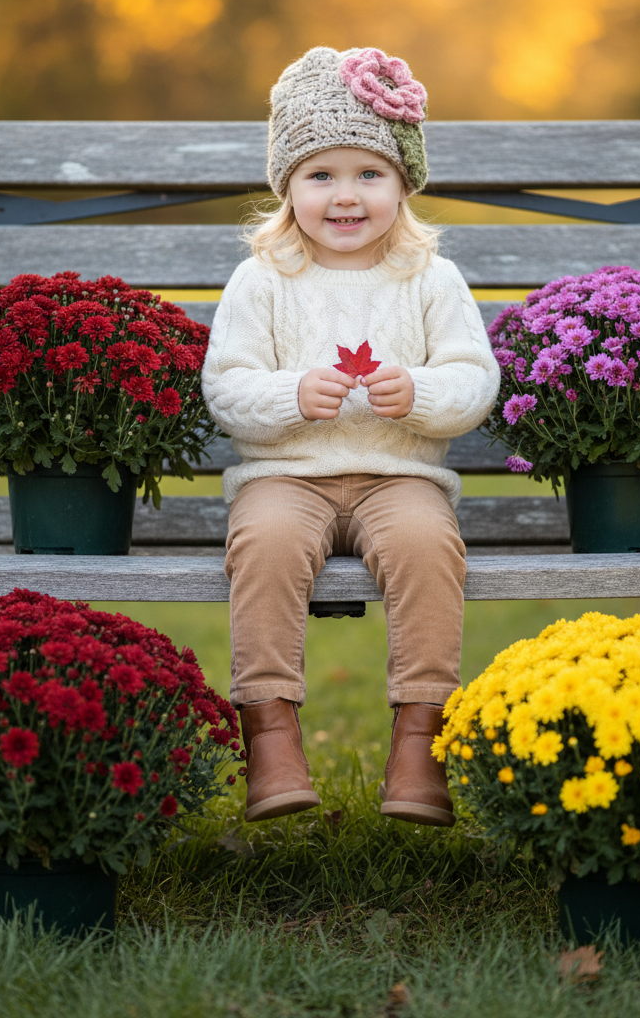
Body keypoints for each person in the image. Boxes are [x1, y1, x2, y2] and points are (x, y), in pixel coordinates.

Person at [202, 46, 499, 828]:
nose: (346, 196)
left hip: (397, 476)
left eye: (369, 174)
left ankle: (419, 741)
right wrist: (291, 394)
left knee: (428, 548)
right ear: (287, 187)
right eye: (320, 176)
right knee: (261, 546)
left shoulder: (430, 276)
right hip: (284, 478)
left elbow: (474, 376)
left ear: (404, 184)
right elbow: (227, 388)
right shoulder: (263, 278)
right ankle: (270, 735)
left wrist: (422, 392)